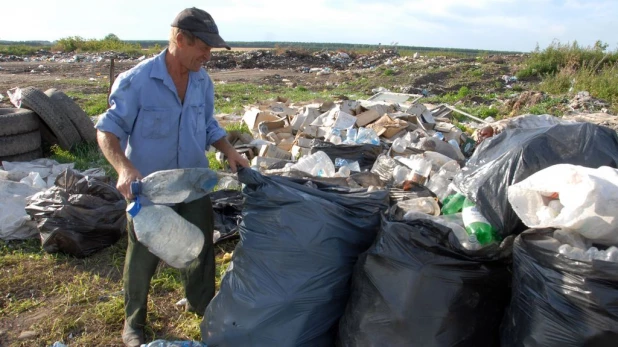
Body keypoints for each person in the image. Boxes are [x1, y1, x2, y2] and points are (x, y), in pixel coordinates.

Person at [95, 7, 249, 346]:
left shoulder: (202, 81)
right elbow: (107, 131)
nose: (208, 56)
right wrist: (123, 168)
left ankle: (202, 308)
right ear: (180, 39)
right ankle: (134, 322)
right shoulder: (136, 81)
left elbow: (208, 125)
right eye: (203, 48)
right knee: (143, 255)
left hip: (193, 184)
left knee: (201, 248)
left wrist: (229, 150)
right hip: (151, 190)